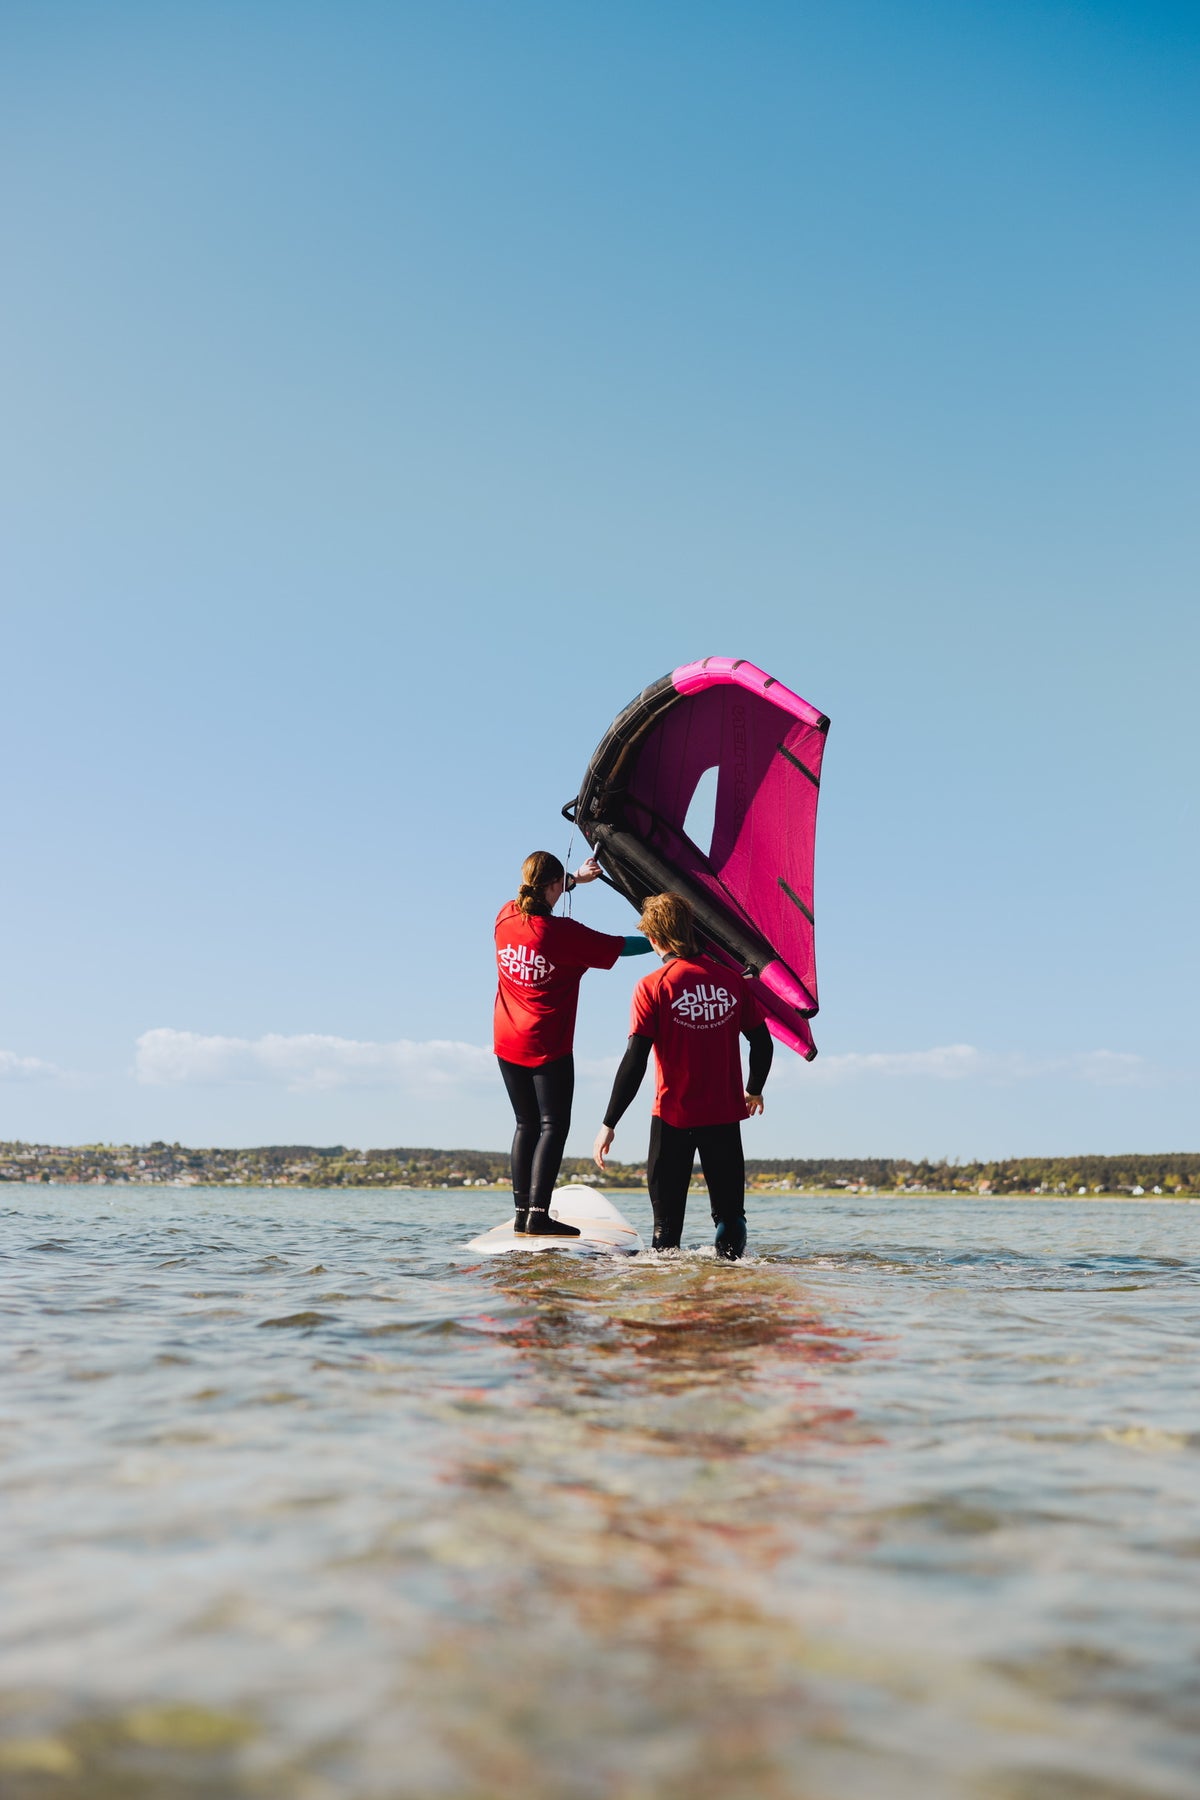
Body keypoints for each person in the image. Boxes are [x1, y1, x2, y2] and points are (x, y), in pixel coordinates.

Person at [592, 892, 773, 1260]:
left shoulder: (653, 986)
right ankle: (732, 1287)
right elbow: (763, 1043)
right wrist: (753, 1089)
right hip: (724, 1116)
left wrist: (609, 1122)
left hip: (672, 1117)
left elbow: (634, 1059)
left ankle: (672, 1304)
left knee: (666, 1232)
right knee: (731, 1218)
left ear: (654, 938)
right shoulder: (732, 981)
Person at [495, 850, 651, 1236]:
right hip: (548, 1045)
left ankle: (521, 1213)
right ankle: (539, 1215)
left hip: (505, 1039)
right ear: (551, 886)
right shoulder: (562, 934)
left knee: (524, 1124)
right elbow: (621, 946)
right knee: (553, 1125)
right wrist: (662, 937)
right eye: (559, 882)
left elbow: (533, 896)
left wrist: (575, 879)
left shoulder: (505, 916)